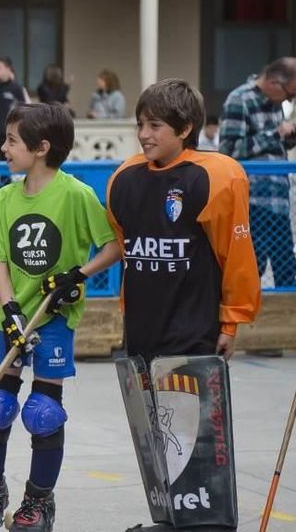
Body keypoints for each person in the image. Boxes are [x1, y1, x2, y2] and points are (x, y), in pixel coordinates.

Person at [108, 79, 261, 531]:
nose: (144, 134)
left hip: (192, 329)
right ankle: (170, 519)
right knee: (157, 435)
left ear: (186, 127)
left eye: (155, 125)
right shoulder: (125, 178)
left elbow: (236, 259)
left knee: (194, 436)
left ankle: (207, 522)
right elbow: (128, 252)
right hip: (141, 330)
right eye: (140, 124)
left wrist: (231, 322)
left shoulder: (217, 175)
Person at [0, 103, 120, 532]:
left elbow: (112, 246)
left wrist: (78, 276)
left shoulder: (75, 195)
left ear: (41, 148)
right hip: (15, 318)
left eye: (11, 140)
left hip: (54, 318)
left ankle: (38, 501)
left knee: (42, 412)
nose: (3, 147)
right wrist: (10, 308)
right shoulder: (6, 196)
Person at [219, 57, 296, 289]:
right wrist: (275, 134)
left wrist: (288, 137)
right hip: (252, 202)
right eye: (290, 94)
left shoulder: (276, 104)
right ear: (274, 82)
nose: (289, 100)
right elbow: (229, 151)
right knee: (251, 266)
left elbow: (275, 147)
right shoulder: (240, 99)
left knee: (286, 270)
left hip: (278, 200)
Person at [0, 56, 30, 162]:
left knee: (6, 166)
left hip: (7, 135)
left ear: (8, 69)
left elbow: (23, 110)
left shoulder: (16, 89)